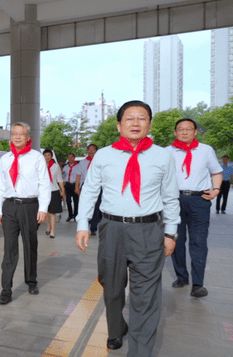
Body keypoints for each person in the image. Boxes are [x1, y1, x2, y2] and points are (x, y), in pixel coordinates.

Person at [75, 100, 180, 356]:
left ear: (149, 124)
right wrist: (82, 223)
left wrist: (171, 232)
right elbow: (89, 191)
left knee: (146, 297)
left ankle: (140, 351)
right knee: (111, 287)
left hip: (148, 231)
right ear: (119, 124)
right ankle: (116, 328)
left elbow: (170, 197)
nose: (135, 123)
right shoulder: (104, 155)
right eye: (129, 118)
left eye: (141, 118)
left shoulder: (162, 156)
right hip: (111, 229)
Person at [0, 122, 50, 304]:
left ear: (28, 137)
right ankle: (6, 290)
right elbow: (0, 186)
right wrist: (0, 209)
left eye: (21, 133)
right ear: (11, 137)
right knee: (9, 249)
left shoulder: (36, 157)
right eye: (14, 133)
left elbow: (44, 184)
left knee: (30, 245)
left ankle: (31, 281)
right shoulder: (5, 159)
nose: (17, 136)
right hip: (10, 206)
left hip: (30, 207)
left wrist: (43, 208)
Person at [166, 118, 222, 298]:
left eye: (188, 129)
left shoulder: (206, 150)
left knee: (198, 242)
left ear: (195, 132)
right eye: (180, 129)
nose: (184, 132)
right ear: (175, 132)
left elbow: (216, 172)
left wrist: (216, 190)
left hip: (199, 200)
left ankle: (198, 284)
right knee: (177, 240)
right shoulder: (167, 152)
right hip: (175, 200)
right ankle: (181, 276)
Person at [43, 149, 65, 238]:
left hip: (54, 191)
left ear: (51, 156)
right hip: (43, 192)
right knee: (45, 212)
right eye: (45, 155)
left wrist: (63, 190)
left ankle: (52, 231)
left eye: (49, 155)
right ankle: (48, 225)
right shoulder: (41, 166)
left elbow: (59, 179)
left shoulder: (56, 166)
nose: (47, 157)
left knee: (52, 212)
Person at [62, 153, 79, 222]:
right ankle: (70, 215)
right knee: (68, 201)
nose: (70, 159)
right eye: (69, 157)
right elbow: (63, 177)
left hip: (75, 184)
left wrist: (78, 186)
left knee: (76, 202)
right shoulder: (66, 167)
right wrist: (62, 174)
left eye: (72, 157)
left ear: (74, 158)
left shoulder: (78, 166)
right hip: (68, 185)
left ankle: (76, 215)